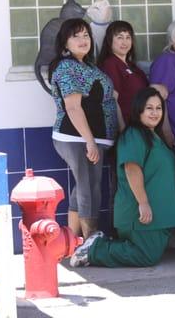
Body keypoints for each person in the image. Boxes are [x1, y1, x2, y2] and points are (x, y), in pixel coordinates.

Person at [70, 87, 175, 267]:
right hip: (139, 211)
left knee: (151, 253)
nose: (155, 113)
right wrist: (143, 202)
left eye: (158, 108)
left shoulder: (155, 136)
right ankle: (94, 250)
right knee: (146, 256)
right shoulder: (134, 134)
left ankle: (98, 246)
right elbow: (132, 169)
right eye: (149, 108)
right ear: (139, 110)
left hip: (159, 215)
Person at [48, 18, 120, 240]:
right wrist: (89, 141)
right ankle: (90, 240)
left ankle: (71, 241)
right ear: (65, 44)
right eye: (76, 36)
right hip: (75, 137)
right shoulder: (67, 67)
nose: (82, 40)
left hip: (95, 138)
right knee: (88, 186)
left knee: (85, 186)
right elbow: (73, 107)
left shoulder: (89, 67)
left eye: (86, 35)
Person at [97, 20, 149, 124]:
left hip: (141, 125)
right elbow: (113, 100)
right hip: (127, 126)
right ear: (110, 40)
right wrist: (122, 129)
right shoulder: (111, 64)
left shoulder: (132, 66)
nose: (124, 42)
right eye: (120, 37)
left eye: (128, 37)